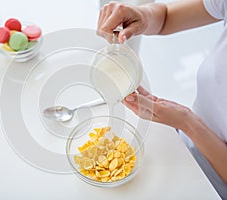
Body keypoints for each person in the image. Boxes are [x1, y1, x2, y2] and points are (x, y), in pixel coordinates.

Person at [97, 0, 227, 199]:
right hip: (180, 146)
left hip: (211, 186)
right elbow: (166, 16)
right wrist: (142, 16)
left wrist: (187, 122)